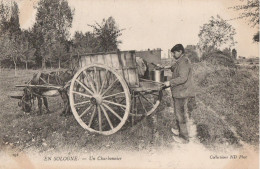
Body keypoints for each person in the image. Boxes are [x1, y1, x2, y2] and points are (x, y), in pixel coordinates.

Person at [165, 44, 195, 144]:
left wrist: (170, 82)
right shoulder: (180, 61)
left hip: (182, 92)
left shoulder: (184, 62)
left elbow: (183, 78)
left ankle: (184, 138)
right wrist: (167, 67)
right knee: (178, 113)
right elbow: (175, 67)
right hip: (179, 91)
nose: (173, 55)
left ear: (180, 52)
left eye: (174, 52)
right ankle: (180, 131)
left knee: (180, 115)